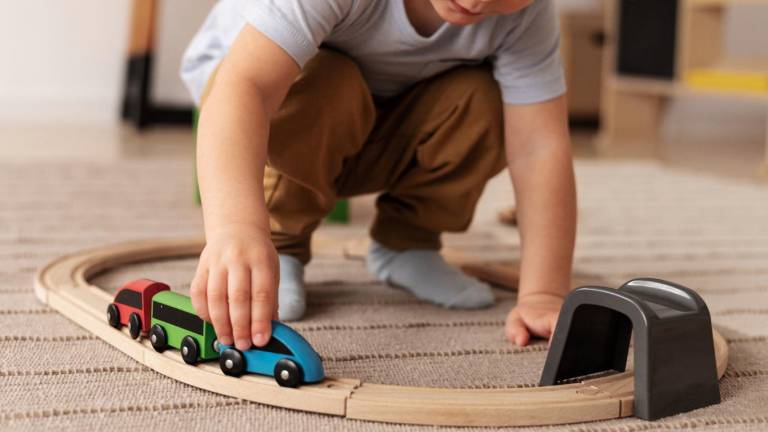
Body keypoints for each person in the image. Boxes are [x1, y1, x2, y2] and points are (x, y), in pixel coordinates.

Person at [181, 0, 577, 353]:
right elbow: (246, 88)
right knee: (330, 79)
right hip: (255, 110)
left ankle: (408, 240)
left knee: (488, 101)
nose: (476, 2)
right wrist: (237, 229)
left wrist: (543, 292)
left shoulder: (529, 15)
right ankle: (281, 241)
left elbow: (538, 147)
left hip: (380, 118)